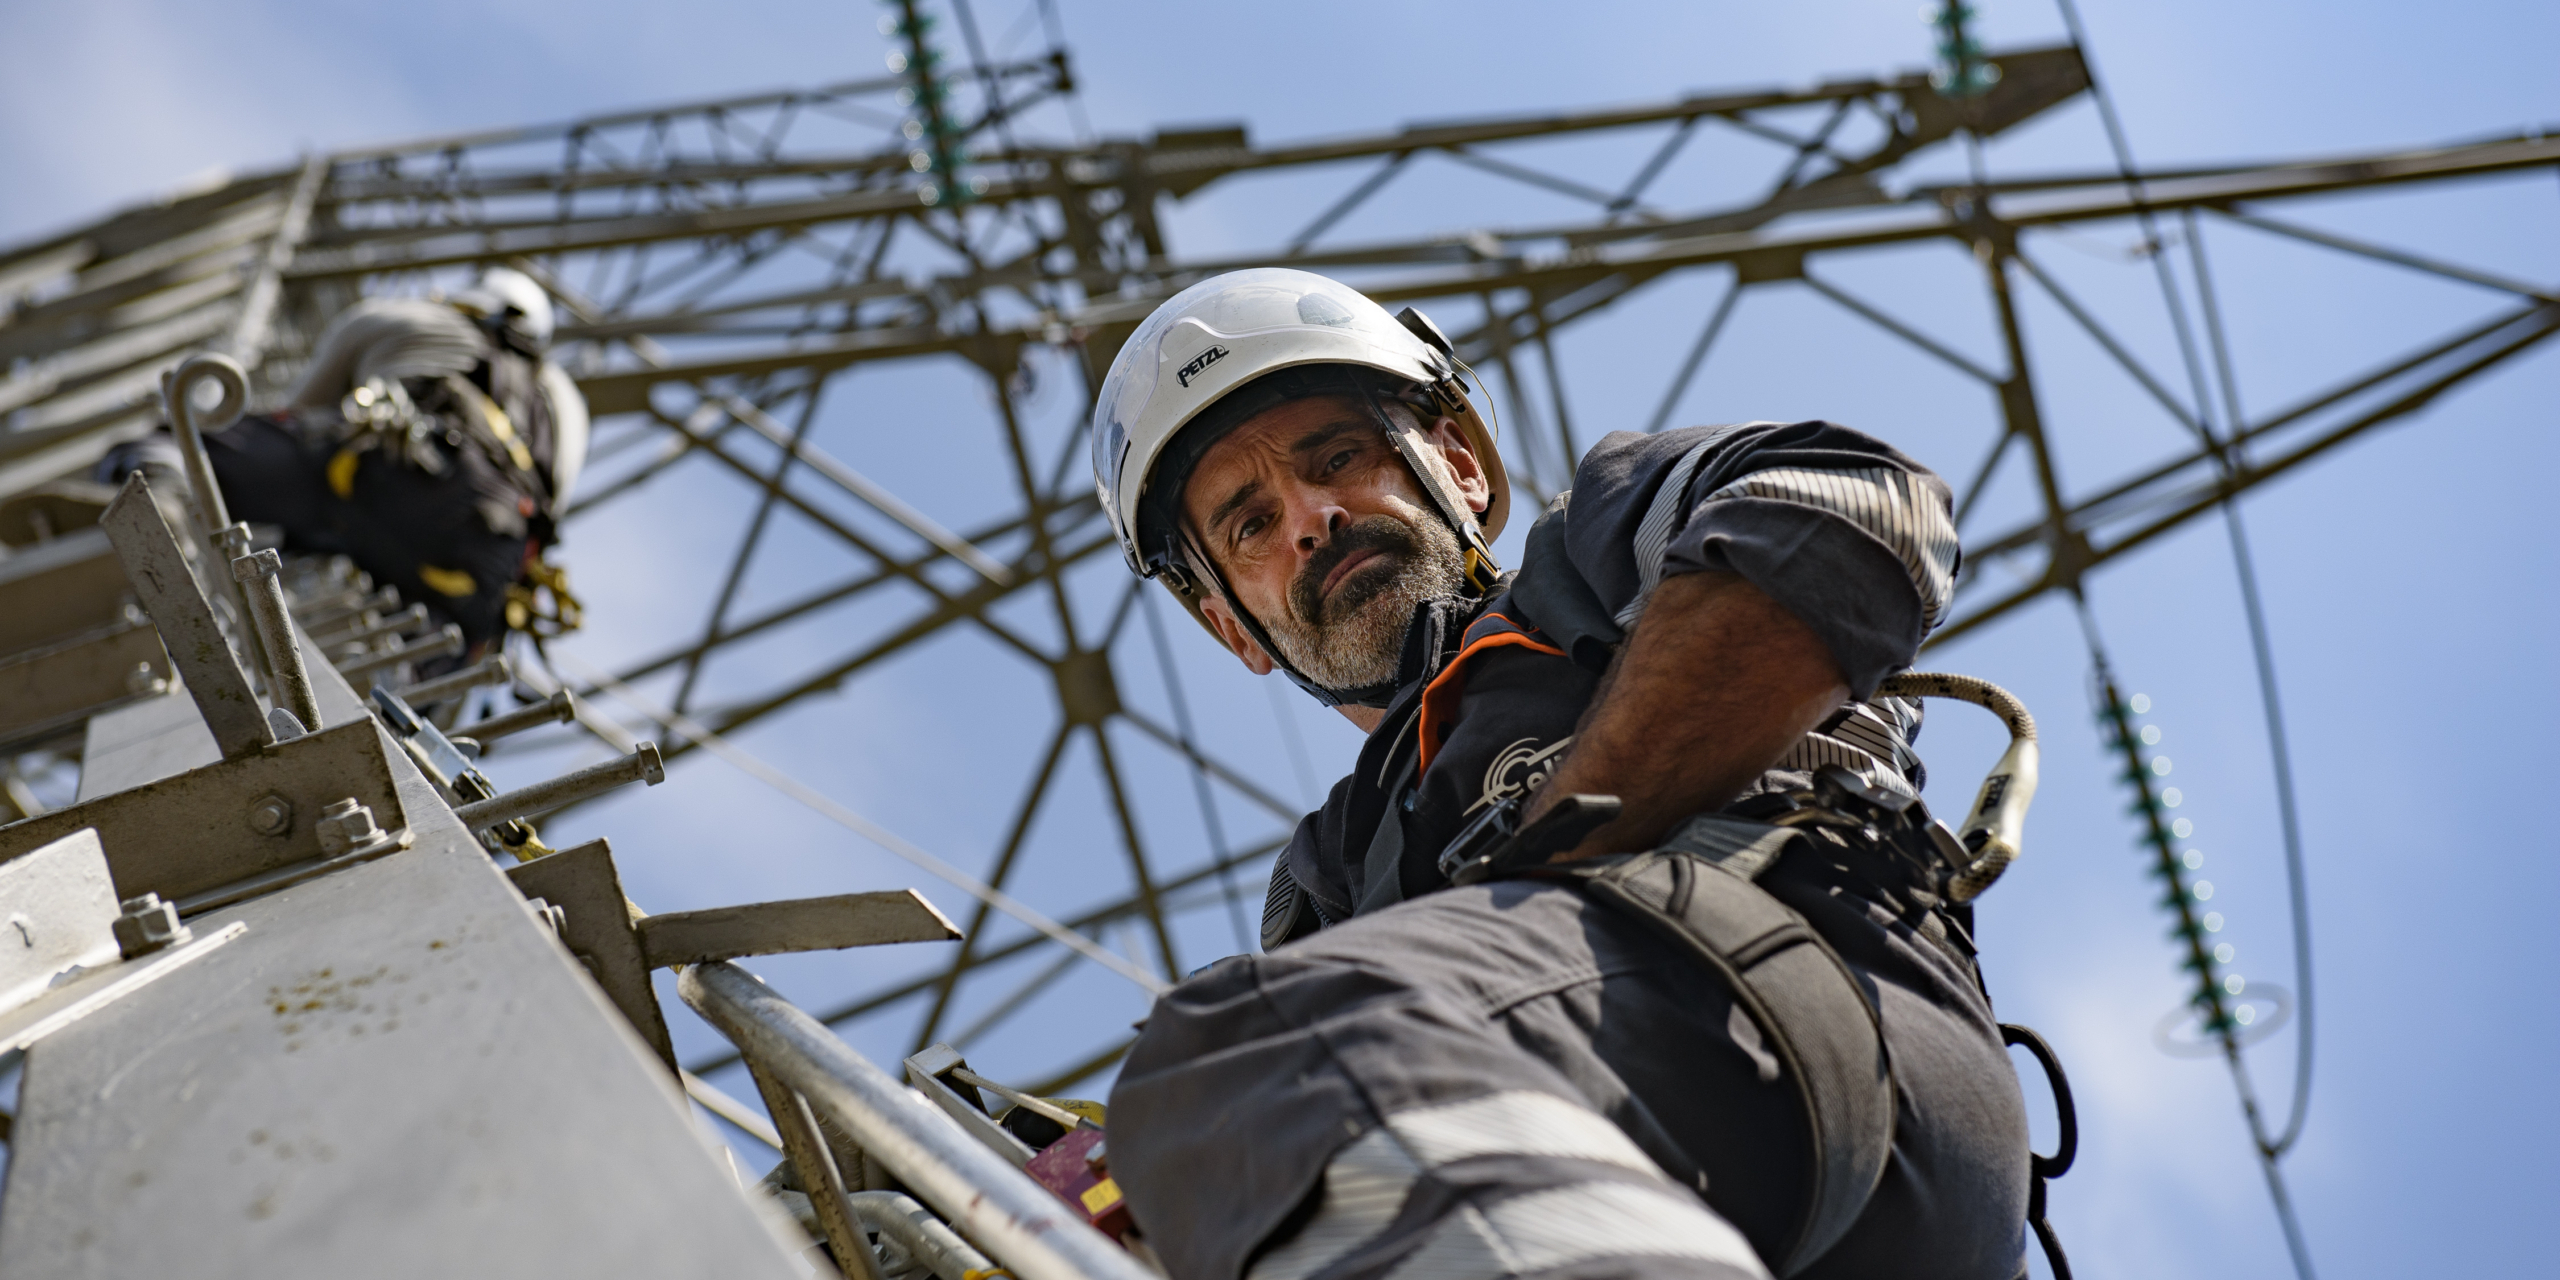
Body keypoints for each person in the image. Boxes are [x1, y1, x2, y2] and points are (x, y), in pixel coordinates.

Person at [1091, 268, 2035, 1280]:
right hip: (1597, 1162)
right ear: (1232, 624)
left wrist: (1546, 858)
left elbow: (1852, 508)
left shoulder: (1598, 549)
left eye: (1339, 457)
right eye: (1250, 524)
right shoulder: (1325, 877)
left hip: (1821, 1033)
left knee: (1256, 1048)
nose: (1311, 518)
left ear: (1458, 463)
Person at [100, 268, 589, 658]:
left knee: (182, 441)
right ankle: (403, 730)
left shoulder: (413, 318)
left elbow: (306, 411)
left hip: (385, 473)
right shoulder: (564, 407)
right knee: (431, 662)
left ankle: (163, 503)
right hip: (487, 571)